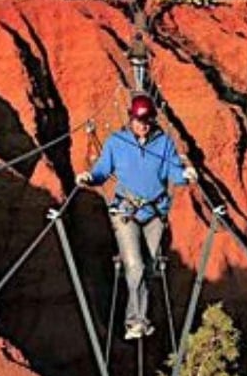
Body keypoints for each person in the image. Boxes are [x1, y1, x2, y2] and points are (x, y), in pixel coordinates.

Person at [76, 94, 197, 340]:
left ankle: (138, 317)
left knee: (150, 269)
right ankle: (136, 322)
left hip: (154, 213)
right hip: (125, 211)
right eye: (138, 119)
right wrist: (90, 177)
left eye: (147, 120)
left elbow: (174, 172)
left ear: (152, 119)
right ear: (130, 118)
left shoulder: (164, 143)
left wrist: (187, 175)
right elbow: (102, 169)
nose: (142, 124)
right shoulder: (116, 142)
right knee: (135, 266)